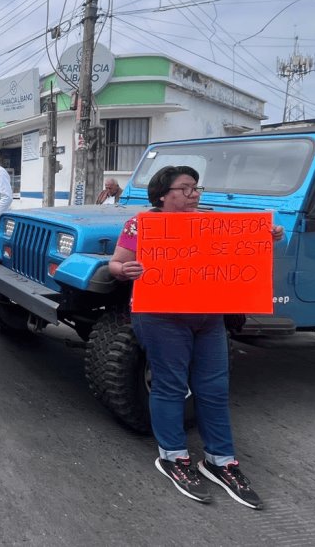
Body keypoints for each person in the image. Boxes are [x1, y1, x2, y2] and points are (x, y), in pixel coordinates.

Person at [108, 165, 284, 509]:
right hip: (160, 318)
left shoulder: (211, 223)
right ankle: (173, 456)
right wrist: (123, 270)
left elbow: (241, 252)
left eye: (196, 189)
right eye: (186, 189)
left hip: (208, 317)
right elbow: (117, 264)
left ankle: (221, 460)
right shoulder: (141, 224)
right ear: (163, 194)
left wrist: (268, 237)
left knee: (214, 388)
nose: (194, 195)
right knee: (171, 385)